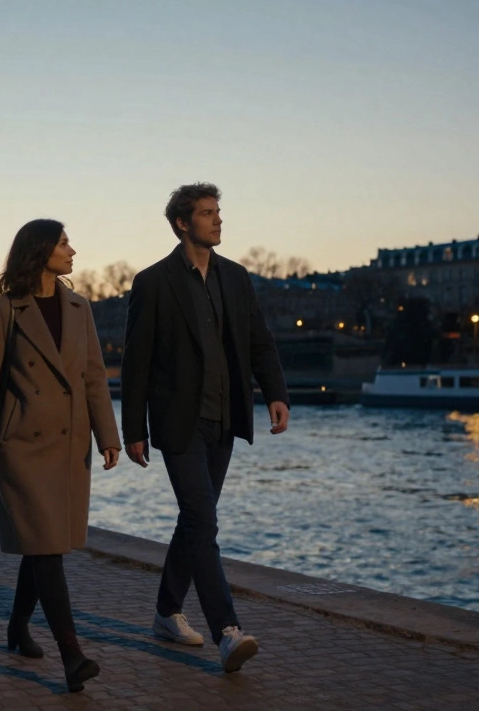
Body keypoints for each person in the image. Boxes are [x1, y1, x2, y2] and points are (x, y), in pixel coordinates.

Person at [121, 183, 290, 674]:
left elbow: (259, 340)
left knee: (196, 520)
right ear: (181, 223)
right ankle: (227, 632)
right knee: (204, 520)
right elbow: (137, 361)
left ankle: (165, 612)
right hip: (178, 421)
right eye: (208, 213)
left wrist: (275, 393)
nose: (219, 221)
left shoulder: (235, 278)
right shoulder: (153, 282)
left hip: (225, 416)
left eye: (219, 212)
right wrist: (134, 427)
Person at [0, 219, 121, 693]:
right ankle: (72, 655)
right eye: (63, 242)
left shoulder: (80, 307)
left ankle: (17, 625)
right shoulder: (3, 310)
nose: (72, 250)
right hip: (23, 446)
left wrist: (107, 436)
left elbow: (94, 377)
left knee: (43, 545)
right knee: (46, 548)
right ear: (40, 251)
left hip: (68, 443)